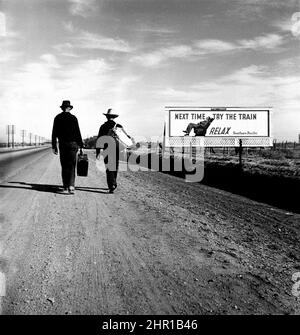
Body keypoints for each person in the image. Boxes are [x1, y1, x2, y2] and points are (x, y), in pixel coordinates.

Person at [96, 108, 131, 194]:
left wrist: (98, 152)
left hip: (107, 148)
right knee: (115, 166)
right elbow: (126, 137)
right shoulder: (118, 126)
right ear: (114, 117)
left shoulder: (103, 126)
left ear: (107, 117)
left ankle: (111, 184)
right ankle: (113, 182)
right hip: (117, 148)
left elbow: (99, 140)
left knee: (109, 167)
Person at [51, 100, 83, 194]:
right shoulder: (74, 118)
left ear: (62, 108)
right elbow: (78, 132)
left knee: (64, 165)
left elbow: (54, 133)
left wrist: (54, 146)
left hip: (63, 144)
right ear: (69, 108)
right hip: (73, 144)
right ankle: (71, 186)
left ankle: (65, 187)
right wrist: (80, 145)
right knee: (72, 165)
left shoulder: (57, 117)